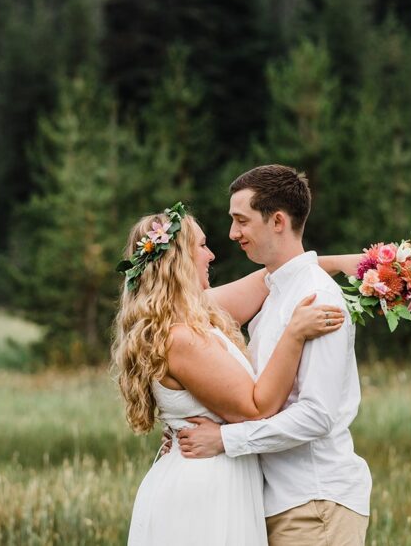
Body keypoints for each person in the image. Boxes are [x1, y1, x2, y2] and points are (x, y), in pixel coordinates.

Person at [113, 201, 360, 545]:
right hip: (204, 488)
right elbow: (257, 408)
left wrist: (354, 264)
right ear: (177, 261)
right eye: (201, 246)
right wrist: (294, 332)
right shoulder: (180, 337)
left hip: (222, 481)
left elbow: (279, 272)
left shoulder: (196, 314)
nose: (212, 255)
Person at [177, 165, 372, 545]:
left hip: (315, 502)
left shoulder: (317, 298)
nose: (233, 234)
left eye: (241, 221)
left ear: (278, 221)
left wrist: (225, 440)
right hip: (283, 501)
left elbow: (316, 416)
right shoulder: (276, 295)